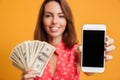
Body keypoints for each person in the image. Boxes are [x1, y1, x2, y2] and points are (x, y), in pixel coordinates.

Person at [21, 0, 115, 80]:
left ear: (67, 20)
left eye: (61, 16)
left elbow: (89, 71)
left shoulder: (77, 51)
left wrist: (98, 52)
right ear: (42, 20)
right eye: (48, 15)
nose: (54, 21)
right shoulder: (32, 53)